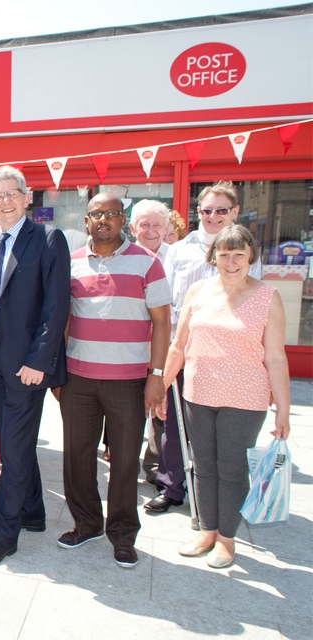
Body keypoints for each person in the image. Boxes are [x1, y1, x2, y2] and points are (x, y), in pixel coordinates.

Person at [159, 225, 290, 569]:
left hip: (245, 399)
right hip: (198, 394)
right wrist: (160, 387)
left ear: (251, 257)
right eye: (224, 253)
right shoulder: (198, 290)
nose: (231, 261)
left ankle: (226, 540)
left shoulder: (268, 296)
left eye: (239, 254)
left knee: (230, 469)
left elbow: (276, 357)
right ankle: (206, 530)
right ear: (213, 256)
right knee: (202, 467)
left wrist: (284, 411)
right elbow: (178, 345)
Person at [55, 192, 171, 569]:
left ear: (124, 221)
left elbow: (162, 322)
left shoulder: (148, 263)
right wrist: (59, 373)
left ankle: (122, 535)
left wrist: (157, 375)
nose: (102, 220)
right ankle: (86, 524)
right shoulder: (70, 263)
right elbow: (62, 319)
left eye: (111, 214)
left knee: (123, 462)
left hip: (129, 381)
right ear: (86, 221)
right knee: (77, 458)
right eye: (95, 214)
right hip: (78, 380)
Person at [0, 165, 71, 567]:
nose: (5, 200)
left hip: (27, 368)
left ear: (28, 197)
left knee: (13, 447)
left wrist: (38, 361)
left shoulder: (47, 238)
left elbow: (56, 305)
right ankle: (33, 512)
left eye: (13, 193)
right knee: (16, 443)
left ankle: (4, 534)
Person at [149, 181, 263, 515]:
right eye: (206, 210)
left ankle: (211, 492)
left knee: (217, 430)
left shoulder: (248, 254)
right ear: (197, 213)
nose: (213, 217)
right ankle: (171, 486)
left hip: (227, 357)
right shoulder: (180, 250)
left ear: (235, 212)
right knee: (172, 423)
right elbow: (165, 302)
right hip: (182, 348)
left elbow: (254, 303)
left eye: (221, 210)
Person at [127, 199, 171, 485]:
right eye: (144, 224)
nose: (151, 230)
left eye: (157, 225)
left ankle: (160, 471)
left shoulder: (177, 257)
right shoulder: (124, 257)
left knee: (162, 414)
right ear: (133, 228)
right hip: (132, 351)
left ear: (167, 228)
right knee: (134, 414)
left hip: (167, 348)